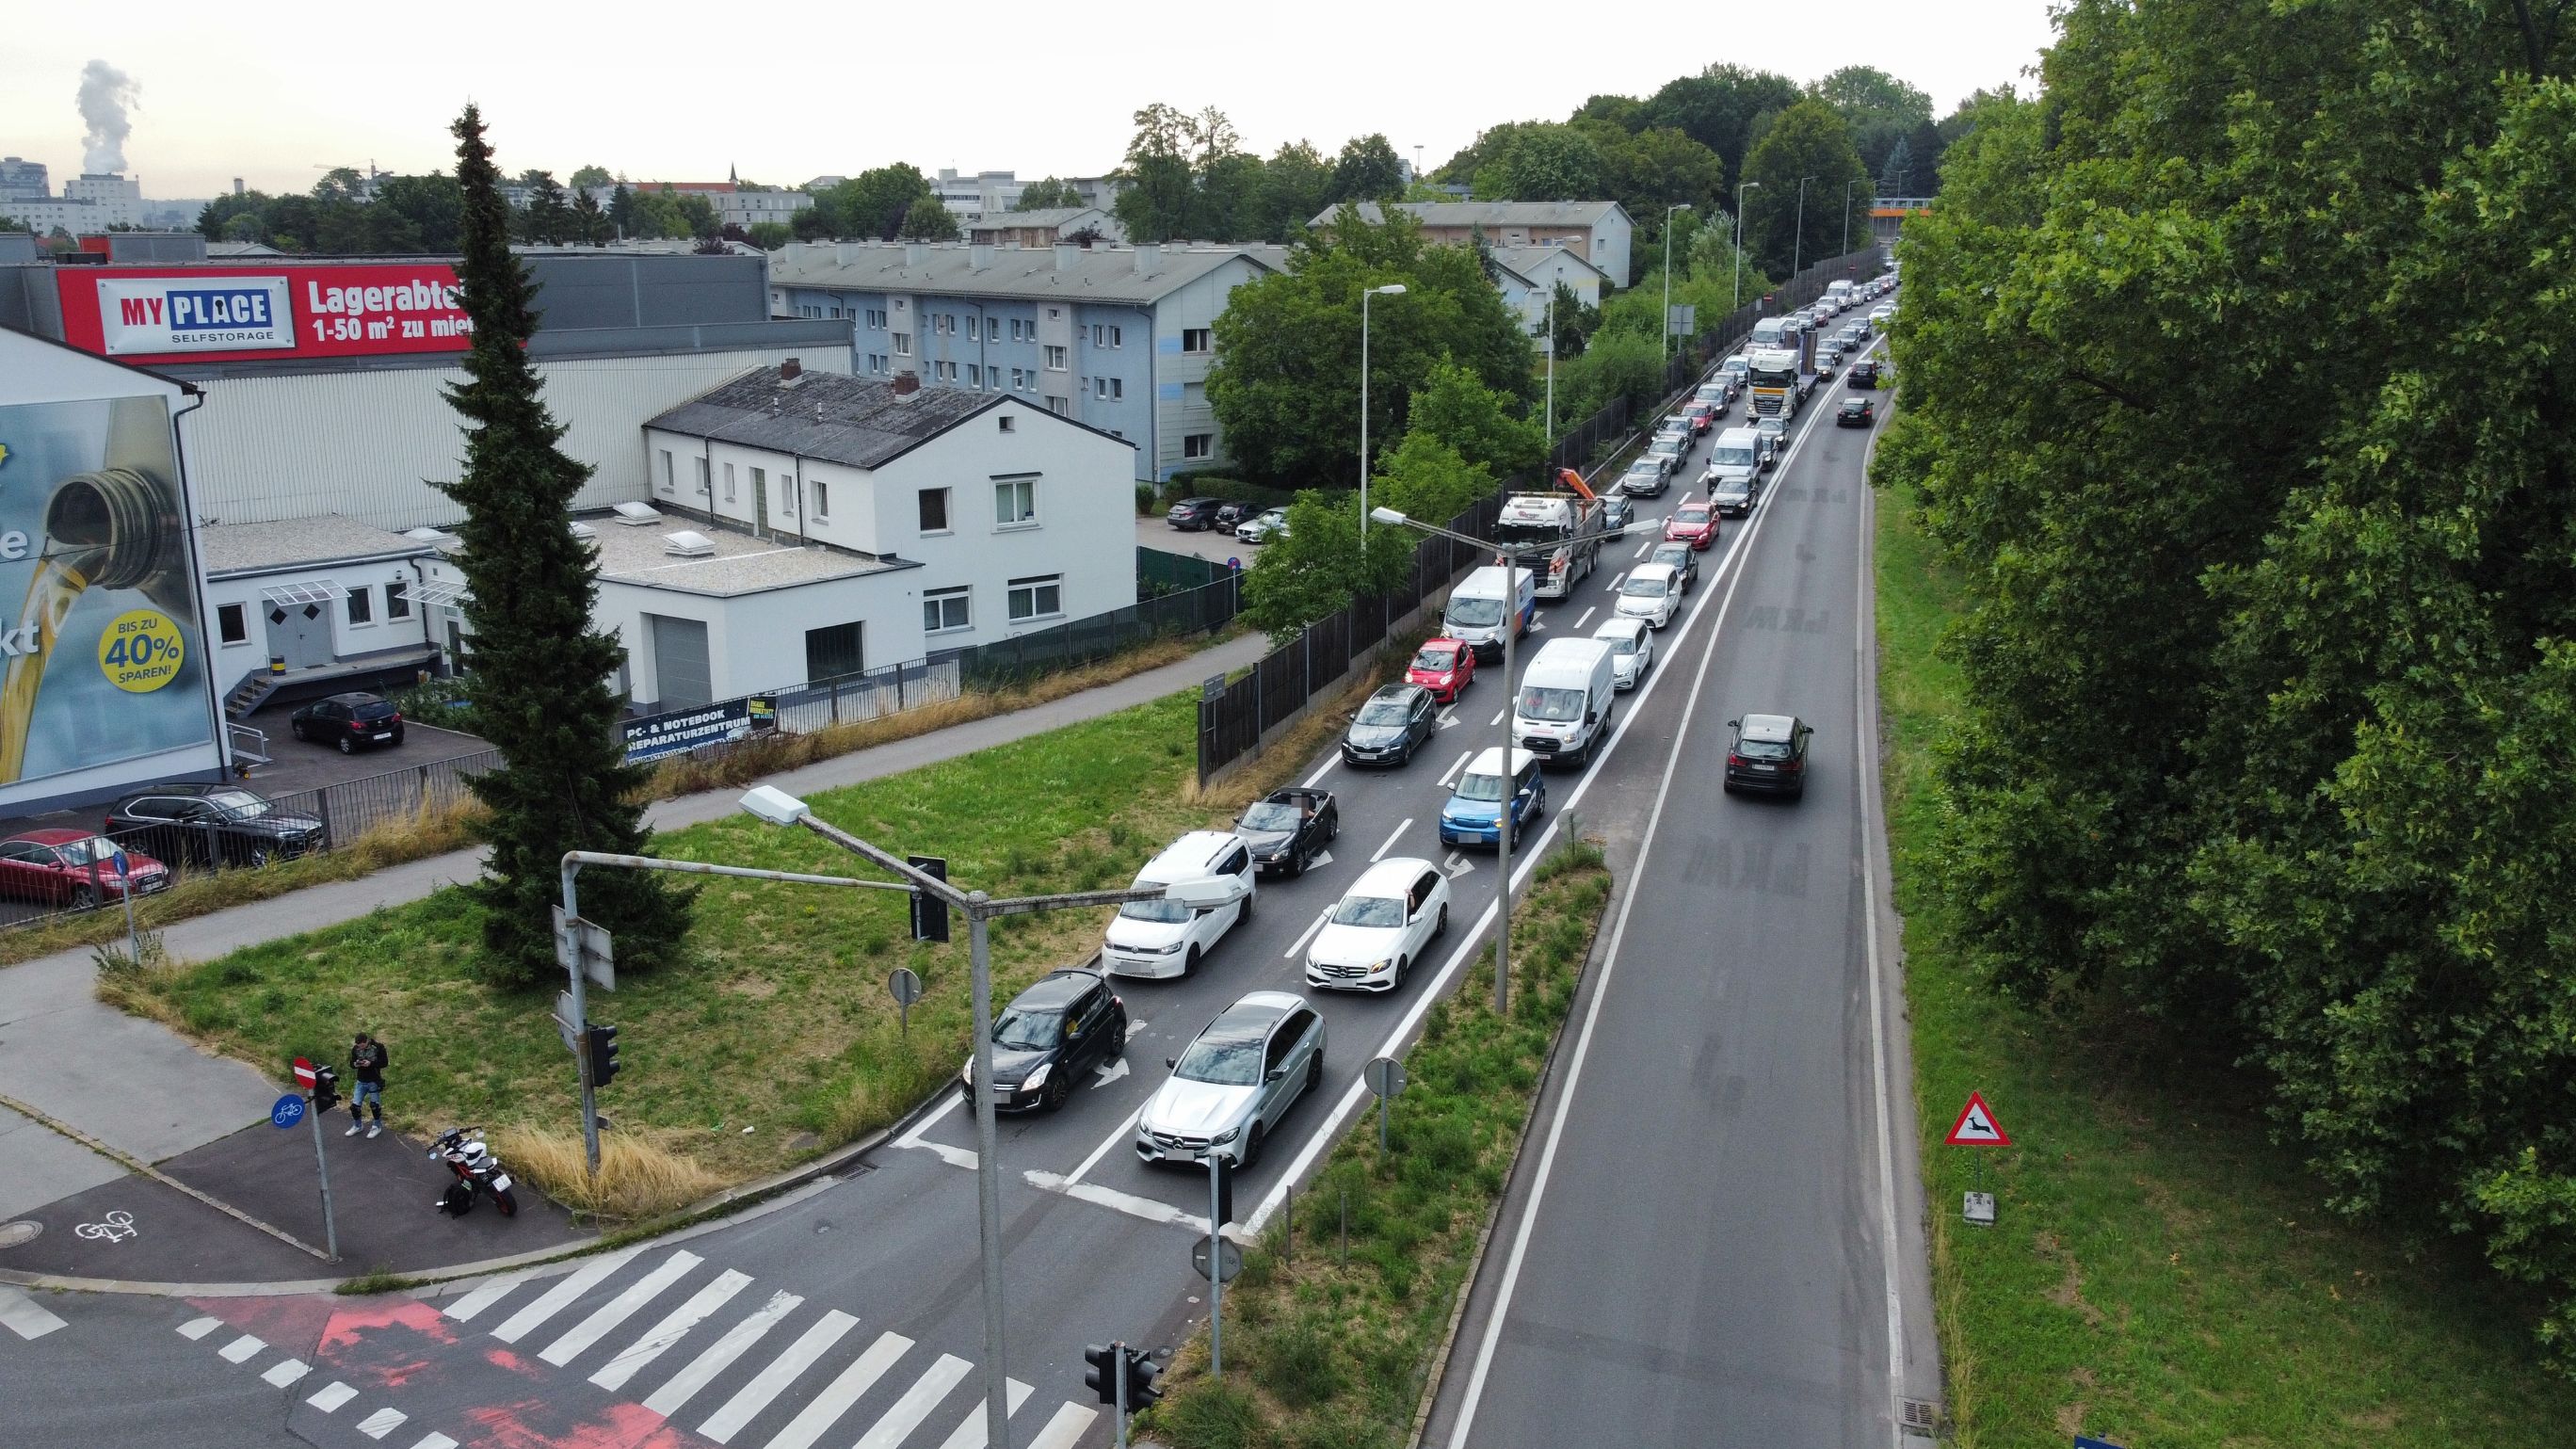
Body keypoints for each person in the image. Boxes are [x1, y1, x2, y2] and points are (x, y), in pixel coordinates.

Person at [346, 1032, 388, 1139]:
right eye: (359, 1046)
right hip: (361, 1080)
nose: (360, 1047)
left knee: (375, 1106)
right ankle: (357, 1125)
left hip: (373, 1080)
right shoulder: (355, 1049)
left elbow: (384, 1062)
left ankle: (377, 1126)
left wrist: (371, 1063)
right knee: (355, 1106)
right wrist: (356, 1064)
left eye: (362, 1045)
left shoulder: (378, 1047)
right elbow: (351, 1063)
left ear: (366, 1041)